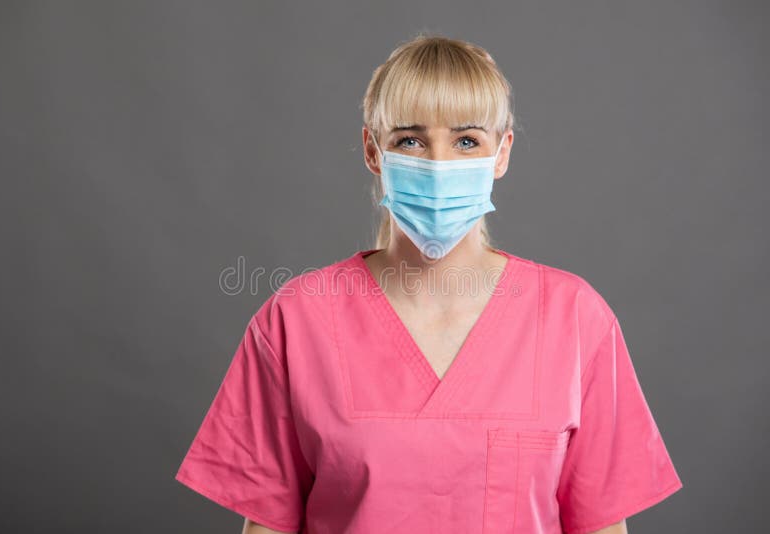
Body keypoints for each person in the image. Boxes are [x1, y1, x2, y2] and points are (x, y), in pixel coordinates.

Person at [174, 34, 683, 534]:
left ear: (501, 154)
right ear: (374, 152)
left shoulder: (574, 319)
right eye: (410, 141)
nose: (439, 165)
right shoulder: (296, 321)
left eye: (466, 141)